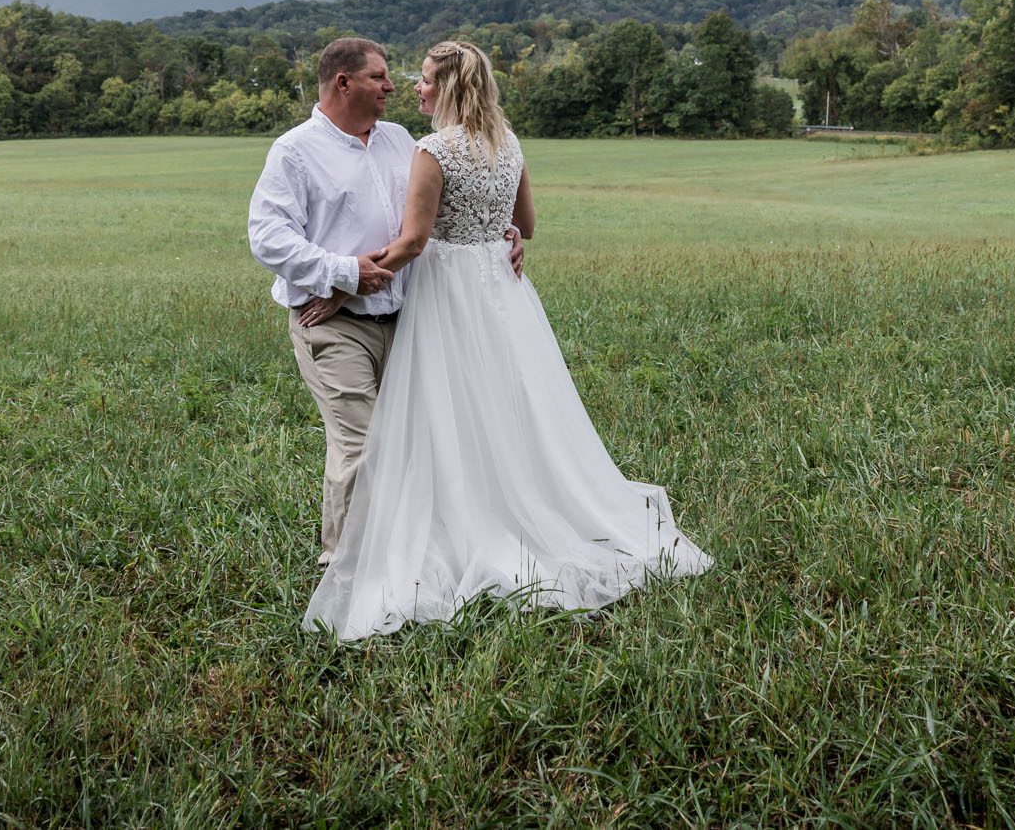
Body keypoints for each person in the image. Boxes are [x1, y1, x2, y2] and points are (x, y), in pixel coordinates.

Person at [303, 40, 711, 640]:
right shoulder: (508, 143)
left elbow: (414, 242)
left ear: (447, 88)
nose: (414, 89)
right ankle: (514, 506)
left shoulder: (432, 150)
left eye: (423, 80)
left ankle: (463, 522)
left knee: (449, 409)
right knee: (508, 406)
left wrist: (344, 284)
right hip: (501, 290)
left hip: (446, 292)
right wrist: (505, 236)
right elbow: (530, 225)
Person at [247, 37, 520, 567]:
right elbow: (268, 237)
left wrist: (500, 232)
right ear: (343, 83)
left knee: (417, 436)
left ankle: (416, 552)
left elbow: (434, 218)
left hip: (411, 318)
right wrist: (342, 276)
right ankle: (346, 566)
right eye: (379, 77)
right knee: (363, 441)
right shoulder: (295, 151)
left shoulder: (401, 141)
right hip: (332, 321)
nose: (392, 87)